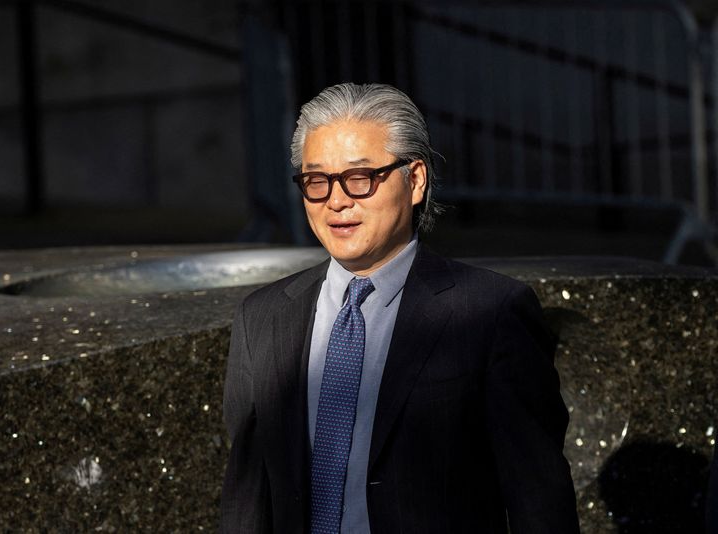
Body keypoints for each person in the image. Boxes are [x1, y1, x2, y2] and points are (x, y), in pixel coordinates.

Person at [221, 82, 580, 533]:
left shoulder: (491, 310)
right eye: (317, 181)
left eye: (360, 178)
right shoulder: (262, 316)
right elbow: (248, 496)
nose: (336, 200)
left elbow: (538, 497)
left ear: (415, 181)